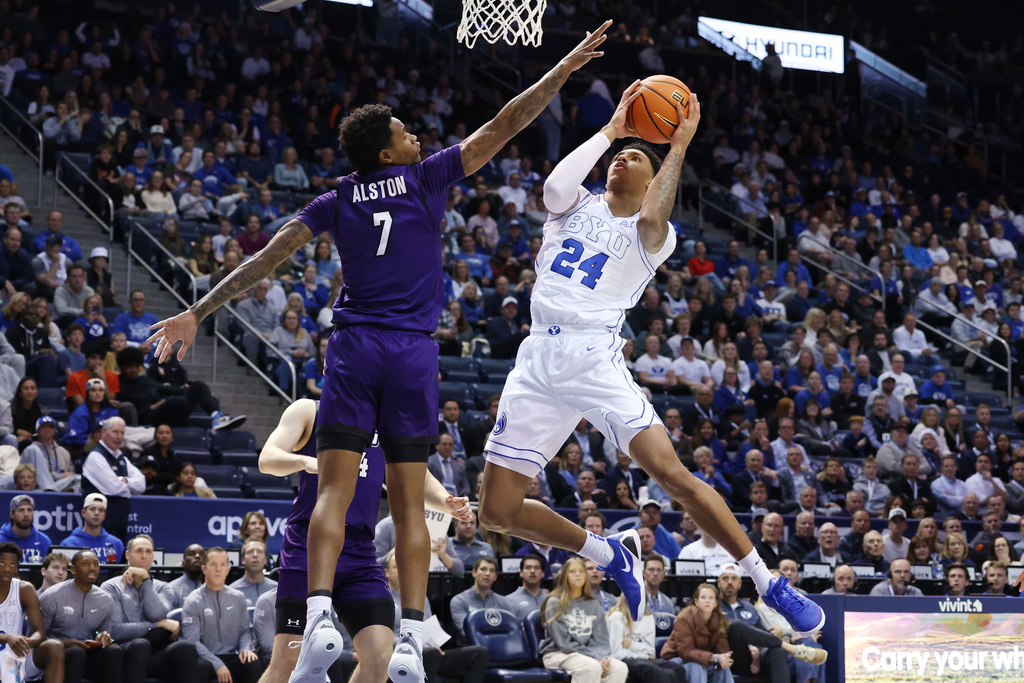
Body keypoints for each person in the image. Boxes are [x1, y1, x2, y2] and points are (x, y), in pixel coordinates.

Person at [149, 27, 615, 681]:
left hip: (355, 347)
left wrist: (198, 311)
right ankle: (414, 633)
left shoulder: (336, 197)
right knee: (403, 500)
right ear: (387, 149)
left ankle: (315, 617)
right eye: (404, 130)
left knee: (333, 492)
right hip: (412, 353)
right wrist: (562, 69)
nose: (416, 135)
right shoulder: (426, 178)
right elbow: (506, 122)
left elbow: (267, 257)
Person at [254, 398, 473, 683]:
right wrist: (306, 461)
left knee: (381, 656)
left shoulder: (387, 423)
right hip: (309, 544)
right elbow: (267, 459)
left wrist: (447, 501)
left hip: (359, 549)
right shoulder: (309, 409)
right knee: (288, 661)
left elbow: (419, 476)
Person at [101, 534, 199, 683]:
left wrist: (146, 580)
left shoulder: (163, 587)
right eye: (139, 551)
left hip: (154, 655)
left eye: (148, 552)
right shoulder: (111, 587)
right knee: (141, 645)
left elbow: (157, 613)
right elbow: (115, 630)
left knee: (184, 648)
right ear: (128, 555)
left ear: (153, 556)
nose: (144, 556)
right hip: (124, 653)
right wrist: (157, 625)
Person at [40, 550, 147, 683]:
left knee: (114, 651)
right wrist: (65, 643)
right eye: (86, 564)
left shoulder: (105, 599)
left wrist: (103, 636)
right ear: (73, 569)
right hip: (57, 655)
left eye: (95, 564)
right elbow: (38, 639)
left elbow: (103, 631)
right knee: (75, 653)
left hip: (88, 653)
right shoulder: (51, 596)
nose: (92, 568)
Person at [539, 557, 629, 683]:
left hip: (588, 655)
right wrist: (595, 657)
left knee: (620, 667)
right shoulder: (554, 603)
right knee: (591, 667)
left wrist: (601, 656)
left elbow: (600, 641)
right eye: (572, 571)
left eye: (581, 571)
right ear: (564, 576)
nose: (577, 574)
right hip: (557, 653)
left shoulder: (594, 604)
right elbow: (563, 643)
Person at [182, 547, 263, 683]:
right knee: (198, 667)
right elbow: (192, 641)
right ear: (204, 569)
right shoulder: (192, 600)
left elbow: (245, 631)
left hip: (232, 657)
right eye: (213, 564)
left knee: (251, 662)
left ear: (228, 569)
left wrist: (245, 649)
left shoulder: (238, 597)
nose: (218, 569)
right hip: (206, 658)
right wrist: (217, 664)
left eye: (222, 565)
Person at [0, 542, 66, 683]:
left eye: (12, 564)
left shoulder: (25, 590)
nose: (6, 569)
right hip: (7, 645)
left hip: (15, 653)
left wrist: (28, 642)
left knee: (55, 646)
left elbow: (39, 631)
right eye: (2, 563)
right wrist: (6, 638)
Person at [81, 418, 144, 541]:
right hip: (101, 524)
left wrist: (125, 481)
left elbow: (142, 484)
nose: (119, 436)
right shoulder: (95, 457)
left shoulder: (121, 458)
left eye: (122, 433)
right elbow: (113, 488)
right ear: (104, 432)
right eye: (115, 432)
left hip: (120, 521)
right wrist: (129, 489)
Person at [660, 582, 733, 683]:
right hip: (677, 660)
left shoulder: (719, 620)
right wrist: (714, 657)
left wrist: (724, 658)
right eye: (703, 597)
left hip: (704, 661)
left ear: (716, 603)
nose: (707, 601)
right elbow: (685, 651)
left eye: (711, 598)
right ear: (696, 601)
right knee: (697, 667)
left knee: (723, 668)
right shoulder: (684, 617)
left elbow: (722, 648)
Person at [449, 556, 511, 644]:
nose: (487, 574)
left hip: (498, 646)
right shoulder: (459, 600)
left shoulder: (503, 601)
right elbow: (466, 630)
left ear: (495, 577)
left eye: (492, 571)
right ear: (474, 573)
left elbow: (507, 629)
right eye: (483, 569)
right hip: (470, 647)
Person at [59, 494, 125, 564]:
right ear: (83, 513)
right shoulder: (68, 543)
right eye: (92, 509)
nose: (96, 513)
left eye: (101, 510)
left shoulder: (116, 543)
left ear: (104, 516)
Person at [0, 494, 52, 563]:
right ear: (12, 515)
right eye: (21, 510)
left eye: (29, 510)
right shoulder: (1, 540)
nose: (26, 514)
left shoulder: (44, 541)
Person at [229, 539, 277, 608]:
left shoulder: (276, 589)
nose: (255, 555)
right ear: (243, 560)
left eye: (259, 551)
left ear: (265, 560)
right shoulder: (232, 591)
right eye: (250, 552)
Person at [506, 554, 549, 620]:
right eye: (528, 567)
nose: (532, 571)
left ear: (543, 573)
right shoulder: (508, 601)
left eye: (537, 568)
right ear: (521, 573)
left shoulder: (550, 599)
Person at [164, 545, 205, 611]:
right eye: (192, 554)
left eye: (202, 554)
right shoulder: (171, 589)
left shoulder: (211, 589)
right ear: (183, 563)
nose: (197, 556)